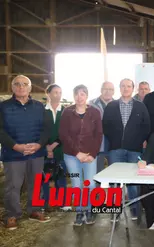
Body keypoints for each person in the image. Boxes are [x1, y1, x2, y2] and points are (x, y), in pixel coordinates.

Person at [0, 75, 52, 230]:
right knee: (13, 186)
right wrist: (16, 146)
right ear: (12, 87)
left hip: (36, 153)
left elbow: (47, 128)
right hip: (13, 154)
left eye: (24, 84)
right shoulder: (3, 107)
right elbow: (0, 130)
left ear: (30, 88)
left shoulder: (39, 106)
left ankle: (35, 211)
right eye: (17, 84)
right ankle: (11, 215)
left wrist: (39, 144)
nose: (21, 87)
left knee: (35, 183)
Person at [103, 78, 150, 220]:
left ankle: (135, 209)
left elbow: (146, 126)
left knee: (133, 181)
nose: (125, 88)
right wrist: (114, 140)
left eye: (128, 86)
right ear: (119, 88)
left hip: (134, 150)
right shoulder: (111, 106)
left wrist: (138, 141)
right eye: (123, 86)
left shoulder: (140, 106)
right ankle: (115, 210)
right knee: (114, 182)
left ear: (132, 89)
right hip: (115, 149)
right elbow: (105, 126)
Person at [59, 84, 102, 226]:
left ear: (87, 96)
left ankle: (89, 210)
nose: (79, 97)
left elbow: (98, 135)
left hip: (90, 155)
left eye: (82, 94)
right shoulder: (67, 112)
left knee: (89, 184)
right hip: (72, 156)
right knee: (77, 184)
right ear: (73, 96)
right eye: (77, 94)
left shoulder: (94, 112)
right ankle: (79, 212)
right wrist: (77, 153)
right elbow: (64, 135)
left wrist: (93, 154)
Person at [42, 84, 71, 212]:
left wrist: (54, 145)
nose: (58, 95)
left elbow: (67, 130)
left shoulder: (65, 111)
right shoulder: (42, 110)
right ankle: (43, 203)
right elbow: (39, 129)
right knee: (44, 177)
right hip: (43, 149)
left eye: (60, 92)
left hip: (60, 149)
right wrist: (46, 147)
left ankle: (63, 202)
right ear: (48, 93)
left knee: (60, 176)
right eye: (55, 92)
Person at [89, 81, 114, 174]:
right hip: (97, 144)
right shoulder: (91, 104)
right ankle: (97, 189)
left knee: (114, 172)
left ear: (114, 91)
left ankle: (114, 189)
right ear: (101, 90)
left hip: (113, 145)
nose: (108, 91)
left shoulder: (117, 104)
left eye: (110, 89)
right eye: (105, 89)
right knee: (97, 173)